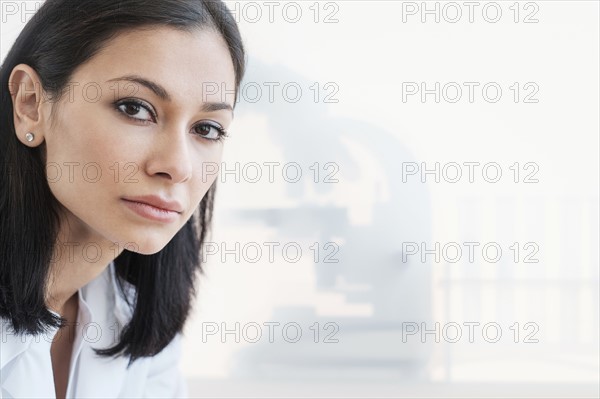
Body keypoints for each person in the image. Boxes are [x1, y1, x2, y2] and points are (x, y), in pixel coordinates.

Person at [0, 0, 246, 397]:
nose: (177, 166)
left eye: (207, 129)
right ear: (30, 104)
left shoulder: (138, 324)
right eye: (135, 108)